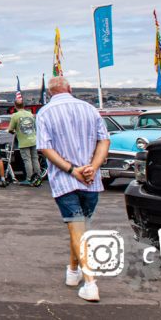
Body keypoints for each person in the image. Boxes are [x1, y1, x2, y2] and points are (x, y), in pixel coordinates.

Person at [36, 76, 110, 303]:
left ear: (49, 93)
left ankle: (90, 283)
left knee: (77, 230)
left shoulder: (45, 113)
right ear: (70, 88)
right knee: (79, 229)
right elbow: (104, 140)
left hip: (65, 180)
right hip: (91, 180)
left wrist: (72, 170)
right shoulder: (89, 109)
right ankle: (72, 271)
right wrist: (93, 167)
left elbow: (46, 148)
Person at [7, 95, 39, 186]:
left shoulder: (15, 116)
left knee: (27, 160)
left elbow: (10, 129)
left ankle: (29, 178)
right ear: (24, 105)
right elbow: (35, 127)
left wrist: (14, 132)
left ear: (15, 106)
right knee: (35, 158)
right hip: (33, 139)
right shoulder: (30, 114)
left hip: (24, 141)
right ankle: (38, 176)